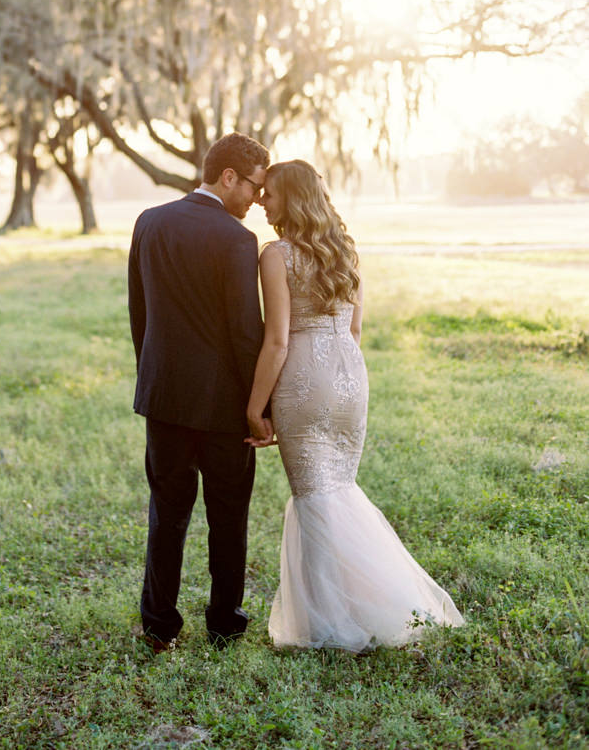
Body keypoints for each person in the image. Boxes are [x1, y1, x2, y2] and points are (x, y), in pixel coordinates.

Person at [246, 159, 464, 652]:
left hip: (304, 380)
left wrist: (253, 407)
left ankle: (329, 624)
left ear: (294, 198)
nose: (262, 202)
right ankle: (361, 606)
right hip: (350, 378)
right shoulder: (344, 250)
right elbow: (355, 330)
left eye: (271, 194)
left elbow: (277, 341)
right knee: (337, 490)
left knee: (314, 498)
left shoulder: (275, 254)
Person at [128, 132, 270, 651]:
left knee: (167, 511)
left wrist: (156, 376)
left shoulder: (150, 221)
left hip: (163, 397)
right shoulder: (236, 239)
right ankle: (224, 624)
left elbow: (139, 315)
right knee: (228, 516)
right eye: (254, 186)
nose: (257, 199)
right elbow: (244, 334)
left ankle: (158, 625)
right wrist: (262, 408)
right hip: (223, 407)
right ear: (228, 176)